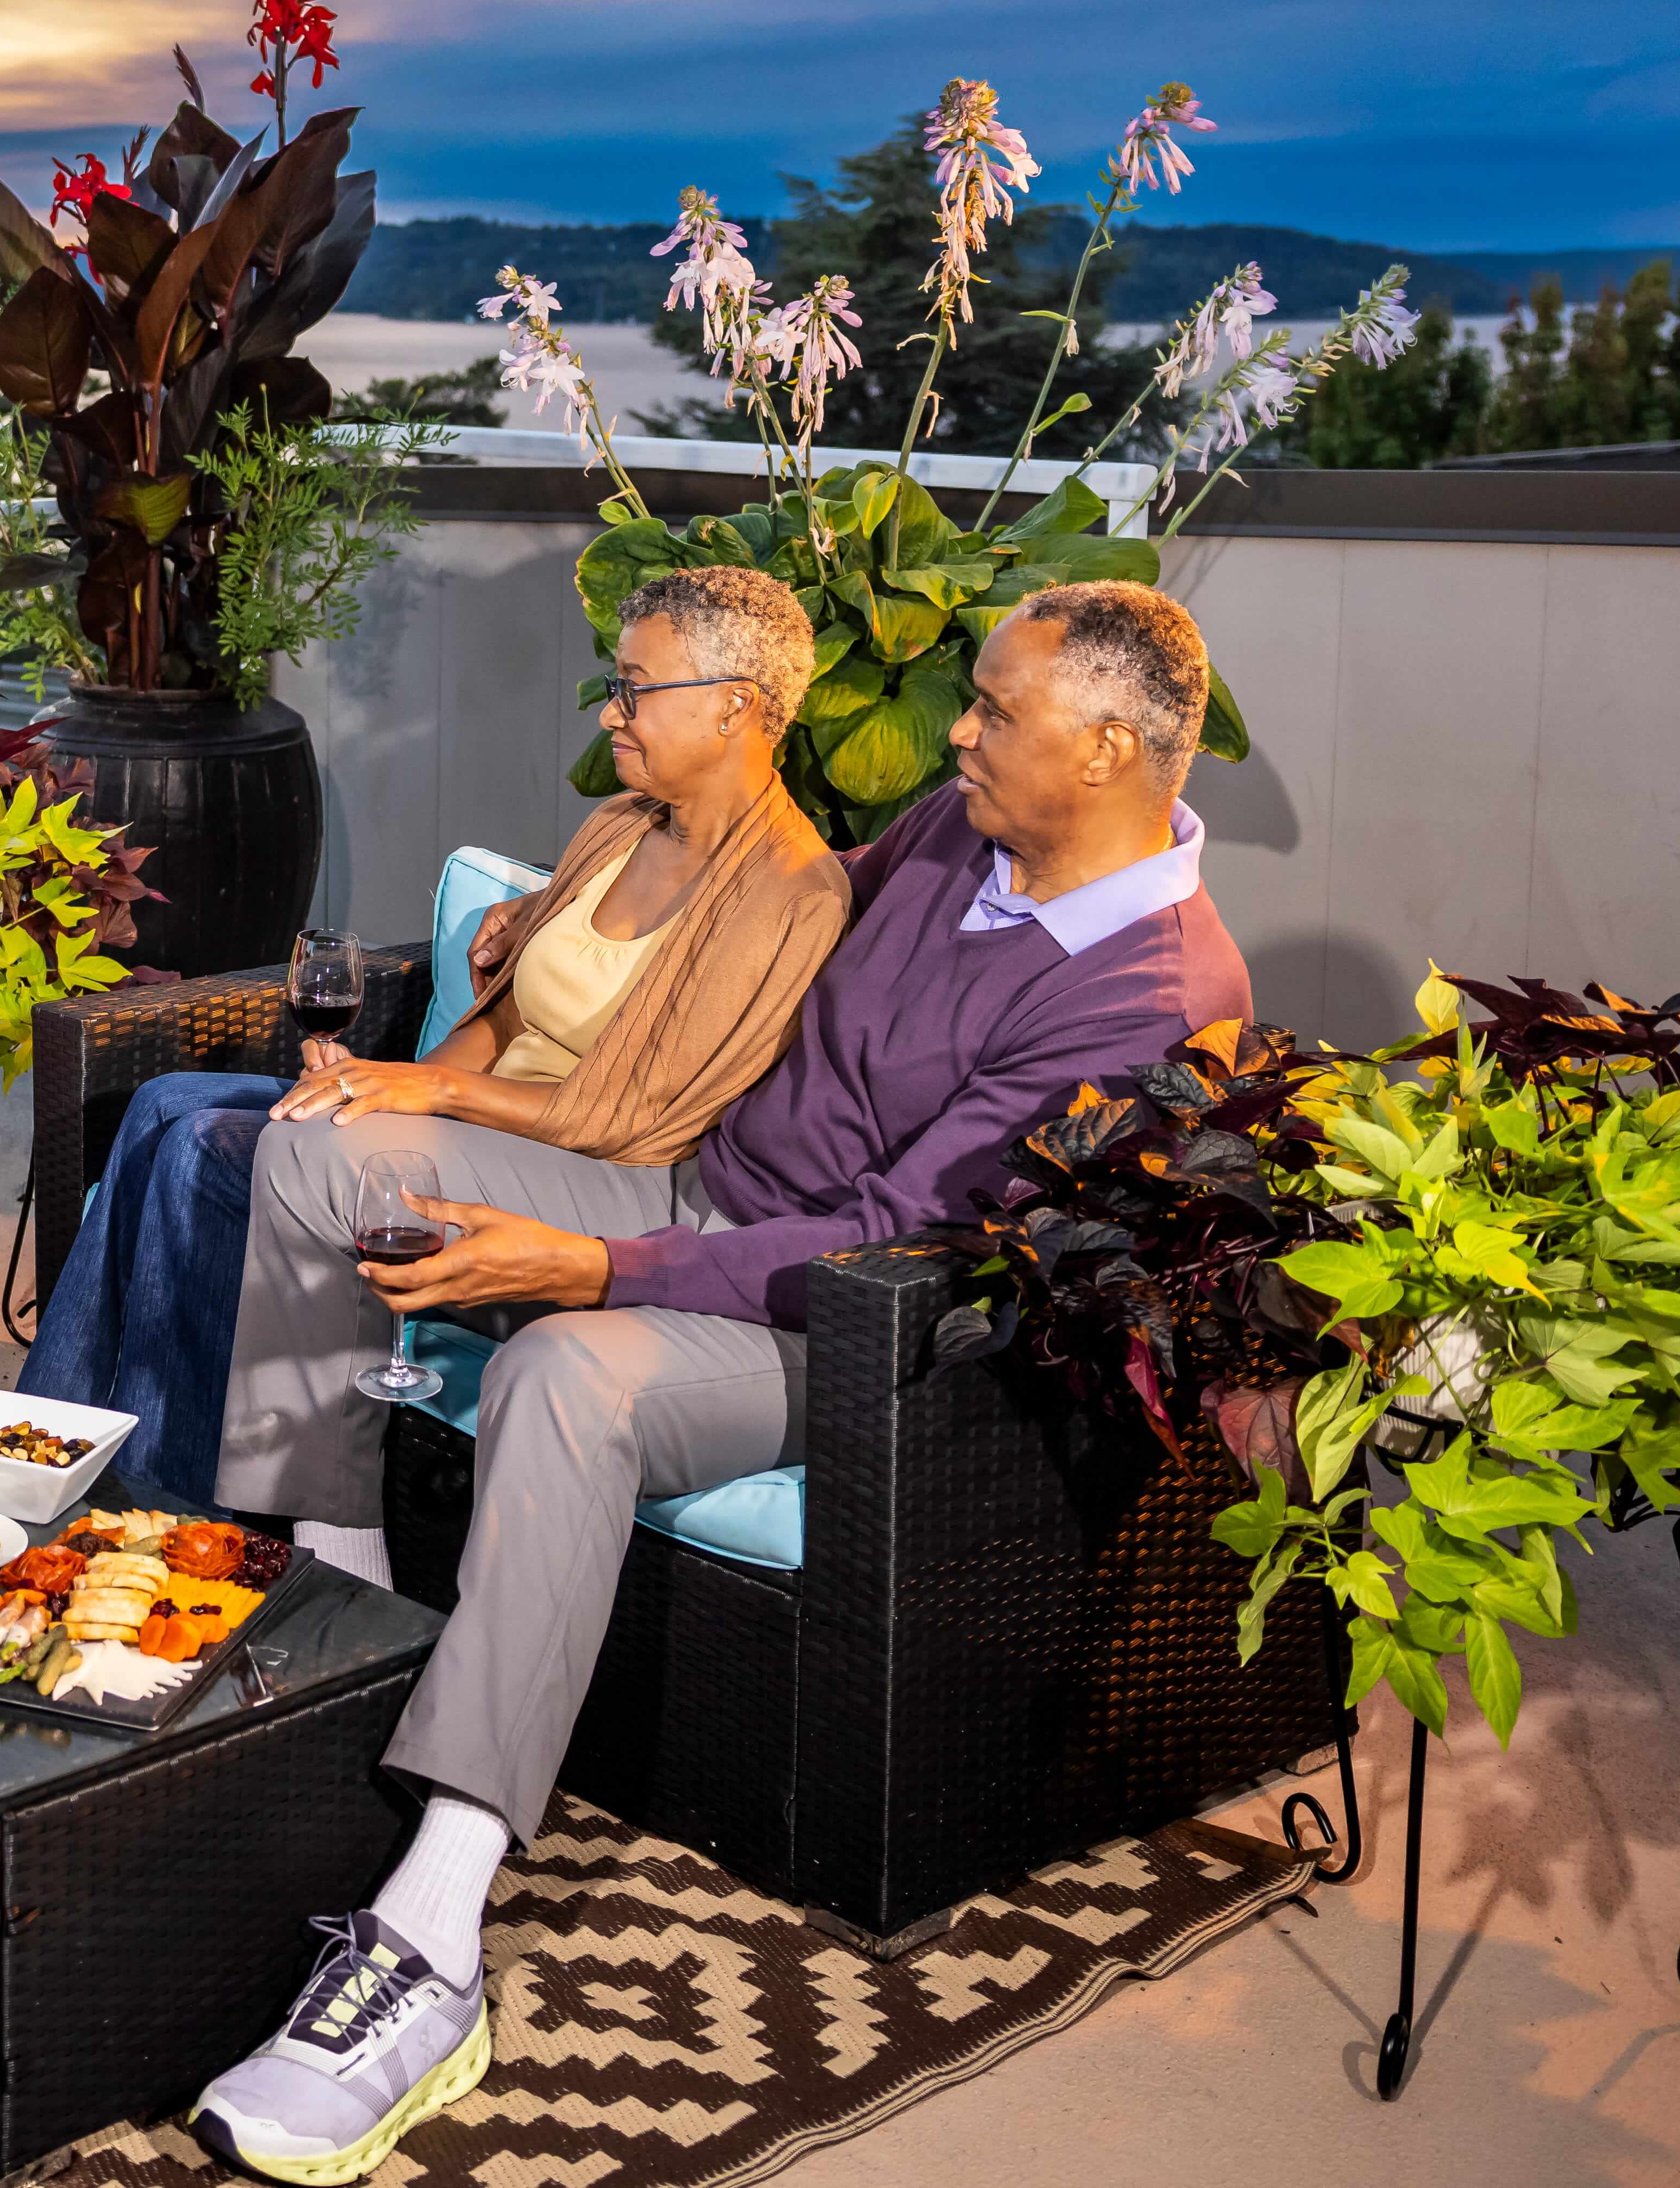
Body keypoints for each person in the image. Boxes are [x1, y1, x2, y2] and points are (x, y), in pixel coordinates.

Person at [185, 581, 1254, 2185]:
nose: (955, 729)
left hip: (838, 1325)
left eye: (995, 710)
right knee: (324, 1151)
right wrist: (544, 921)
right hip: (692, 1192)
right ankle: (329, 1594)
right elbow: (770, 905)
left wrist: (589, 1270)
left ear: (1108, 749)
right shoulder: (969, 829)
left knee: (568, 1374)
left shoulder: (1152, 997)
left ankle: (431, 1941)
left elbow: (897, 1245)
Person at [22, 568, 850, 1493]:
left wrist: (433, 1097)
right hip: (475, 1129)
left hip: (585, 1176)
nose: (612, 715)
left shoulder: (788, 893)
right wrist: (385, 1084)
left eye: (634, 688)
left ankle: (163, 1500)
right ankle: (40, 1442)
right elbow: (499, 1017)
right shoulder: (620, 827)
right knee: (164, 1102)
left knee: (214, 1150)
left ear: (735, 706)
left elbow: (643, 1117)